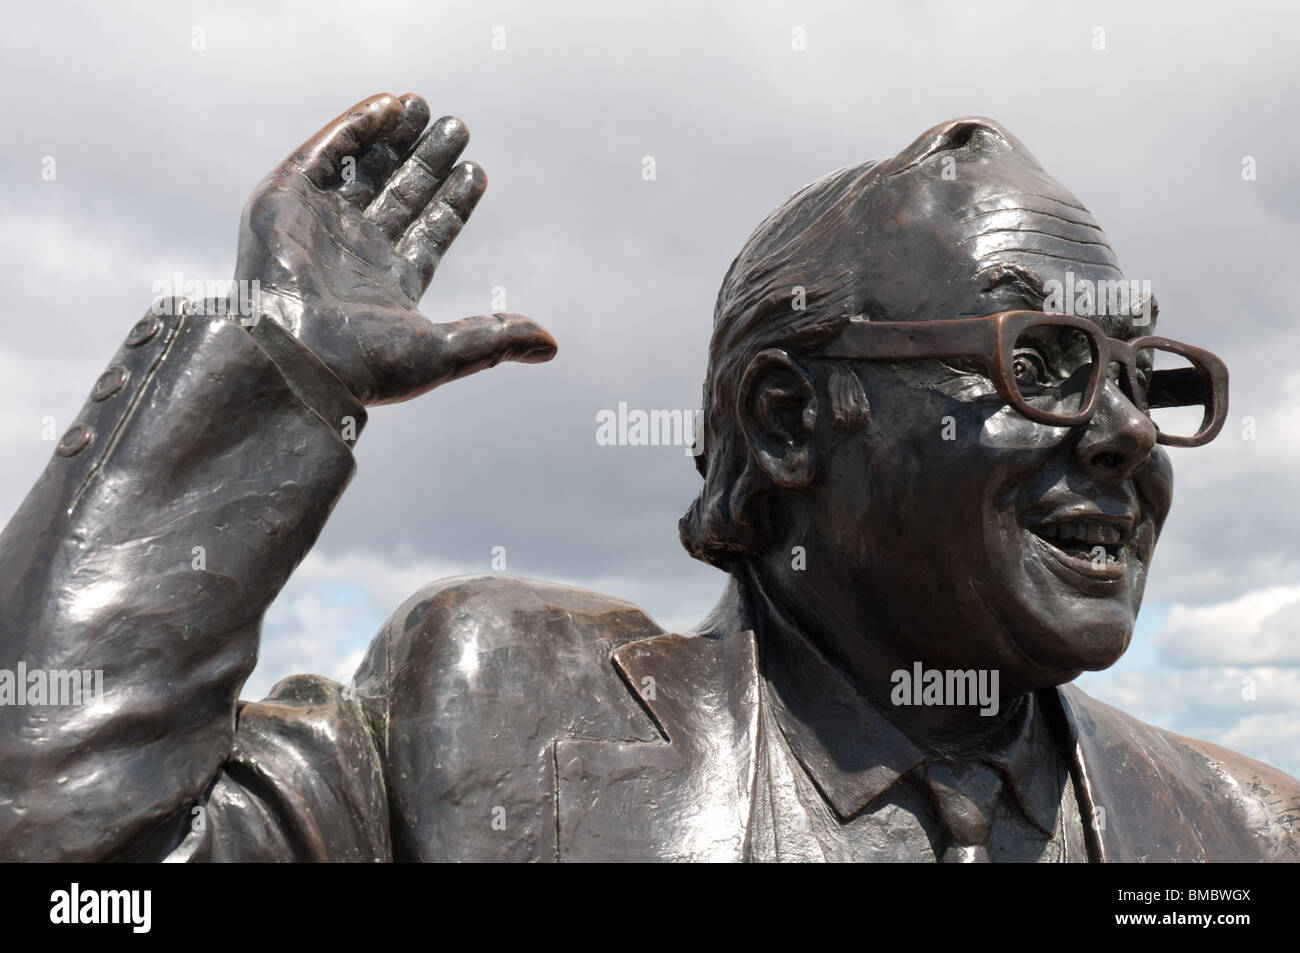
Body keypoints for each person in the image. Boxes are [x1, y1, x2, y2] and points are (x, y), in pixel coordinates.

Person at [0, 93, 1294, 862]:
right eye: (1048, 360)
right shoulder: (479, 719)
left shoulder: (1242, 831)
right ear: (789, 420)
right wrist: (263, 366)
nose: (1125, 425)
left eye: (1146, 374)